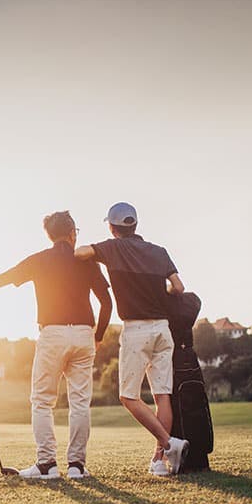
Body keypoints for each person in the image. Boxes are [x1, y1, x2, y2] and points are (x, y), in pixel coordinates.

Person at [0, 211, 112, 480]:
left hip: (52, 335)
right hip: (84, 333)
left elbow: (3, 278)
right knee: (80, 403)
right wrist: (98, 335)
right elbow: (107, 303)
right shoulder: (86, 261)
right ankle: (76, 467)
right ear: (73, 233)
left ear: (49, 235)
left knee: (42, 401)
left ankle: (47, 465)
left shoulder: (39, 260)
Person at [75, 202, 189, 476]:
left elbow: (80, 253)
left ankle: (168, 443)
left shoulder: (113, 248)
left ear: (113, 228)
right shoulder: (159, 251)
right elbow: (179, 287)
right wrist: (160, 292)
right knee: (163, 397)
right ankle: (159, 462)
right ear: (135, 225)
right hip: (163, 329)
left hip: (137, 330)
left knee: (128, 397)